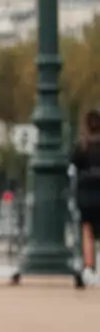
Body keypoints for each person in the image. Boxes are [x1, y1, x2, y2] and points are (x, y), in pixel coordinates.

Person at [73, 108, 100, 287]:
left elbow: (73, 164)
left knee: (87, 231)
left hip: (86, 193)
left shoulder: (82, 146)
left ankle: (89, 268)